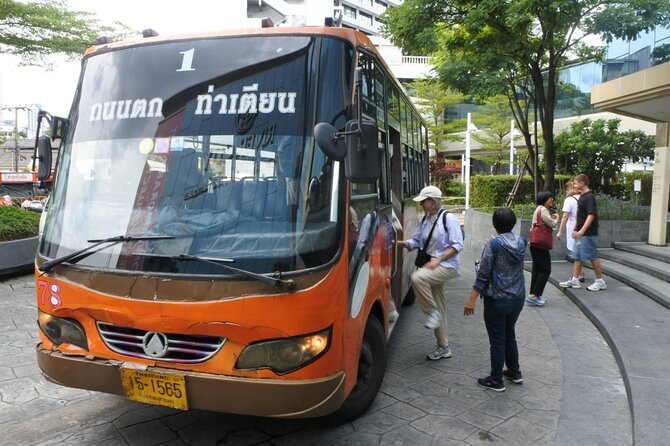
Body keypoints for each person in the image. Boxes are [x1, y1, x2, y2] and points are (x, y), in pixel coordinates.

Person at [464, 208, 527, 392]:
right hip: (518, 298)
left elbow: (483, 275)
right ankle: (515, 372)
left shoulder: (494, 245)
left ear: (494, 224)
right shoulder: (522, 242)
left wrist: (471, 299)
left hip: (497, 300)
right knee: (510, 334)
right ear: (513, 223)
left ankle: (496, 379)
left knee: (498, 338)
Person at [397, 185, 463, 361]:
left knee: (417, 278)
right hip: (431, 264)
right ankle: (444, 346)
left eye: (423, 202)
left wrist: (439, 259)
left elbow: (457, 245)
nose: (421, 205)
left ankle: (431, 312)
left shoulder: (448, 219)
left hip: (446, 266)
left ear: (432, 202)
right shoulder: (426, 218)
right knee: (440, 305)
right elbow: (417, 240)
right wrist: (402, 243)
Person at [559, 174, 607, 291]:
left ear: (582, 183)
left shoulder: (589, 197)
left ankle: (600, 281)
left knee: (593, 256)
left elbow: (591, 215)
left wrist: (581, 231)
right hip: (581, 233)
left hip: (588, 233)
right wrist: (575, 229)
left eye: (575, 183)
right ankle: (575, 280)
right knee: (577, 256)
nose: (574, 185)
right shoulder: (582, 197)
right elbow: (580, 216)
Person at [527, 191, 559, 306]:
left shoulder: (538, 209)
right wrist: (556, 218)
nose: (552, 201)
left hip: (534, 243)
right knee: (545, 269)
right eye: (550, 199)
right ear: (545, 200)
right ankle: (534, 295)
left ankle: (533, 295)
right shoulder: (543, 210)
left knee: (537, 269)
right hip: (540, 244)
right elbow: (552, 224)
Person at [556, 181, 584, 280]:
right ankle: (580, 272)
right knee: (579, 251)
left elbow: (565, 217)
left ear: (570, 189)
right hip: (584, 229)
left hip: (573, 229)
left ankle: (578, 275)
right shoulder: (584, 198)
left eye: (567, 189)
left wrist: (560, 231)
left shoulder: (569, 200)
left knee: (576, 252)